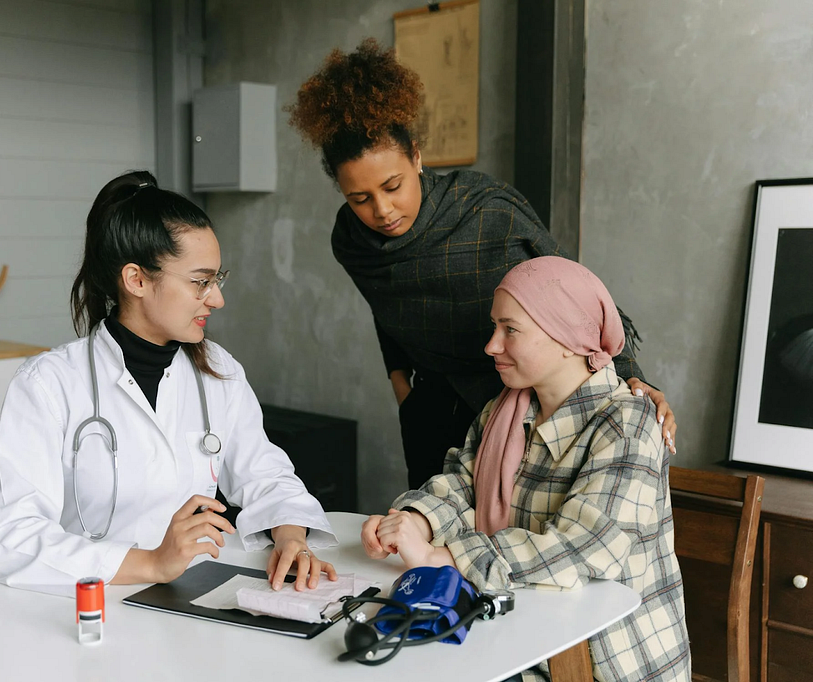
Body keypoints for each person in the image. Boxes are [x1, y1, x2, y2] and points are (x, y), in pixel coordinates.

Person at [287, 39, 677, 490]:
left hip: (518, 397)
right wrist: (401, 385)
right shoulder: (351, 240)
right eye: (359, 198)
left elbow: (577, 297)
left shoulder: (483, 209)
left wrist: (632, 377)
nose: (382, 209)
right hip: (431, 406)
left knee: (508, 535)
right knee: (431, 526)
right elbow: (388, 311)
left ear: (416, 156)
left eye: (393, 185)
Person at [0, 171, 337, 596]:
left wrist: (291, 536)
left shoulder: (218, 371)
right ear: (137, 280)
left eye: (217, 279)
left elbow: (267, 475)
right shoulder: (48, 384)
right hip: (89, 608)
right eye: (200, 281)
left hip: (192, 600)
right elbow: (10, 541)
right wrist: (152, 563)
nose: (217, 298)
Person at [361, 257, 690, 682]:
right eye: (494, 327)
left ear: (568, 339)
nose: (491, 345)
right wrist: (413, 521)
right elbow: (463, 484)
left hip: (599, 660)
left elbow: (586, 547)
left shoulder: (627, 423)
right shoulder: (504, 409)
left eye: (510, 330)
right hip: (517, 632)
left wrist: (442, 557)